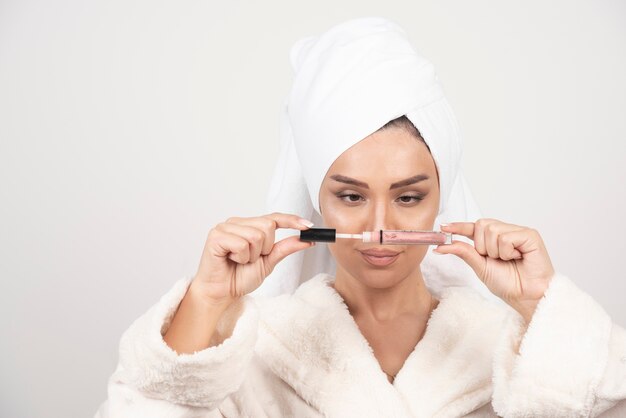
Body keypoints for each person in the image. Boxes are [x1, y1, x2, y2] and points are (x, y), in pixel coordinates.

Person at [94, 17, 626, 417]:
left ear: (443, 196)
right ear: (316, 198)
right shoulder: (250, 353)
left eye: (409, 197)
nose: (377, 227)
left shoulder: (511, 348)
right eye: (350, 197)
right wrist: (206, 301)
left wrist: (541, 307)